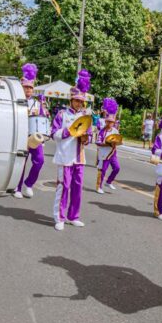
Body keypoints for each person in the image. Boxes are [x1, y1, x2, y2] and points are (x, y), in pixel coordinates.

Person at [50, 69, 93, 231]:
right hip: (64, 157)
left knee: (77, 188)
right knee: (64, 187)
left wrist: (86, 138)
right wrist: (68, 131)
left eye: (81, 101)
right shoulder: (62, 114)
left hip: (79, 158)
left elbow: (88, 136)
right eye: (76, 101)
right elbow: (53, 134)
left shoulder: (85, 116)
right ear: (71, 99)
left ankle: (73, 216)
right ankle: (59, 217)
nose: (79, 104)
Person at [14, 63, 49, 199]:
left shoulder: (37, 103)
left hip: (34, 136)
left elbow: (42, 119)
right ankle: (17, 187)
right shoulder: (16, 100)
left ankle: (28, 184)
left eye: (30, 87)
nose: (28, 89)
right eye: (26, 87)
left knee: (39, 160)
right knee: (21, 162)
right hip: (21, 136)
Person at [95, 98, 120, 194]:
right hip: (104, 153)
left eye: (111, 122)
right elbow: (97, 142)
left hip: (113, 153)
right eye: (108, 121)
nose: (110, 123)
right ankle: (99, 186)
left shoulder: (115, 131)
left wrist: (117, 142)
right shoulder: (102, 131)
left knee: (117, 168)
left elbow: (118, 140)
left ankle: (109, 181)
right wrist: (107, 143)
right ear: (105, 122)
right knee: (103, 170)